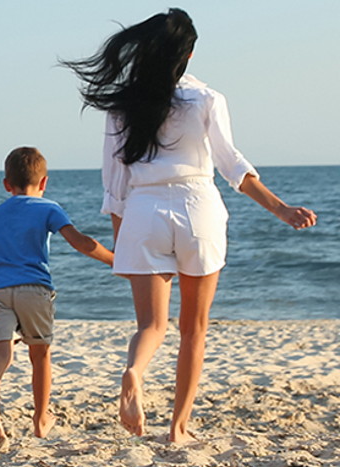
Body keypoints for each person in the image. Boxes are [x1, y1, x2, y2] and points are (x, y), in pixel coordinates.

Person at [62, 8, 317, 443]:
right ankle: (178, 428)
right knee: (193, 328)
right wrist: (281, 209)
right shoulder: (207, 99)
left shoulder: (122, 107)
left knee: (151, 326)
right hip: (198, 207)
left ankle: (133, 372)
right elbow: (232, 166)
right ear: (189, 54)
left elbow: (115, 186)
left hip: (144, 212)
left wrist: (125, 246)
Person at [0, 147, 114, 445]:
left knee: (1, 353)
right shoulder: (49, 209)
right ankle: (41, 419)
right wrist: (115, 259)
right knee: (40, 354)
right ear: (44, 182)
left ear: (6, 184)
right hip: (34, 289)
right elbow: (81, 242)